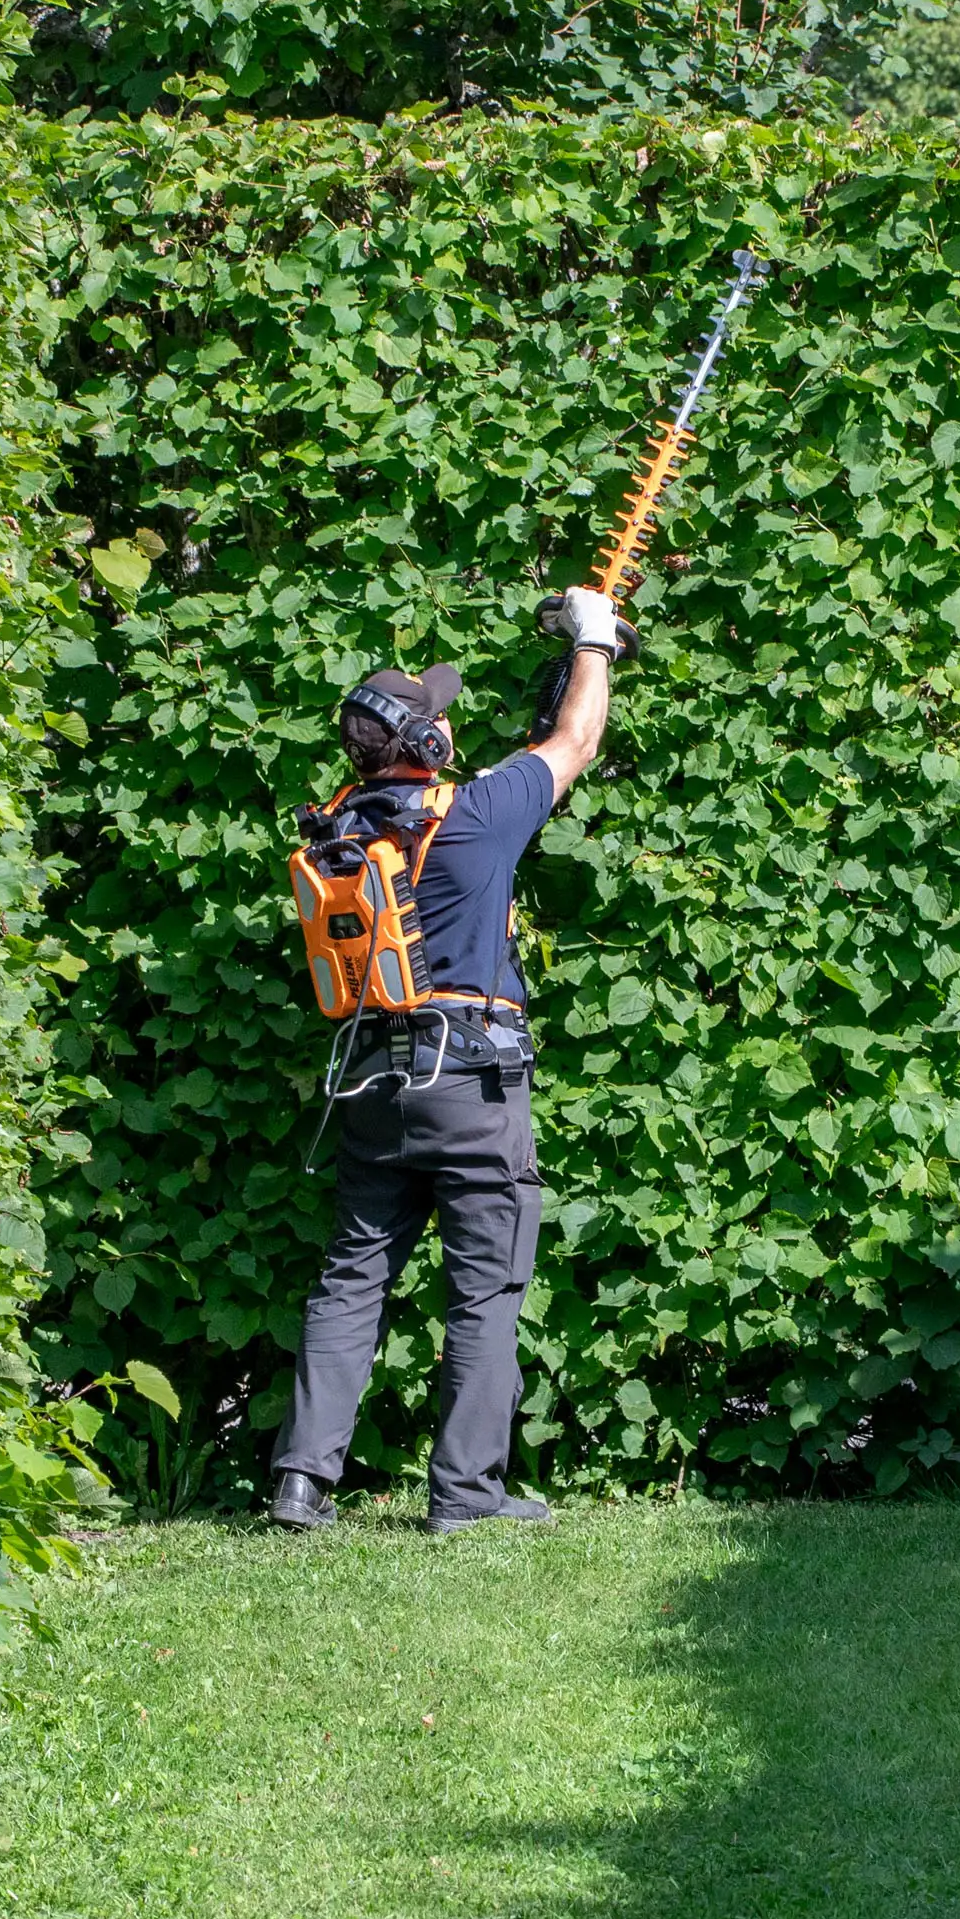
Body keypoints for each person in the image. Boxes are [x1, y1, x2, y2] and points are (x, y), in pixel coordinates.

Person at [267, 587, 630, 1535]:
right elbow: (574, 746)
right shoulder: (471, 816)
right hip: (471, 1087)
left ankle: (300, 1484)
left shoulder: (337, 833)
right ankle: (467, 1496)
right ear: (426, 745)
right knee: (485, 1288)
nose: (455, 727)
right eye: (443, 719)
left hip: (375, 1080)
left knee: (351, 1278)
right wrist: (593, 643)